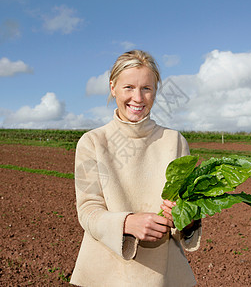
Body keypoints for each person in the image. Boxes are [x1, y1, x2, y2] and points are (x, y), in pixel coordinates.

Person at [70, 50, 202, 287]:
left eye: (146, 88)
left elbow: (188, 210)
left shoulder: (175, 141)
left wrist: (186, 218)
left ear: (155, 91)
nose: (138, 98)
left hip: (164, 274)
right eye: (128, 87)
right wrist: (127, 223)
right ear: (113, 88)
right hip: (105, 273)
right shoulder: (92, 142)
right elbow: (88, 210)